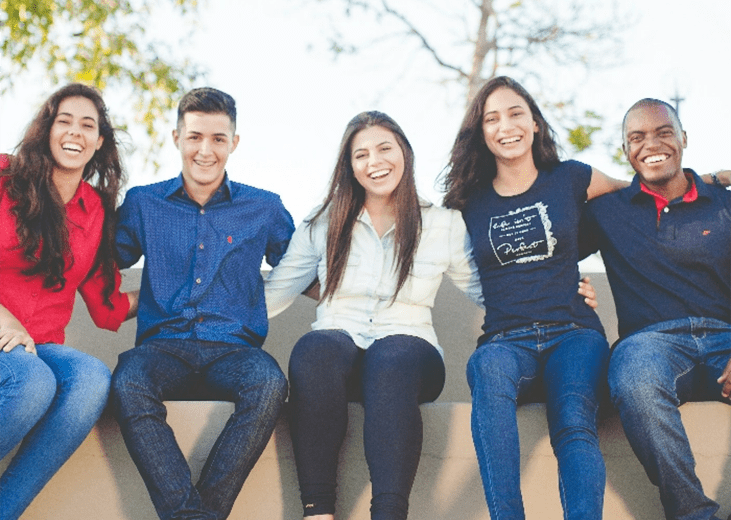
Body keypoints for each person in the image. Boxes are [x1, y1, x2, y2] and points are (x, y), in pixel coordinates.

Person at [264, 111, 484, 520]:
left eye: (384, 148)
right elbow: (276, 292)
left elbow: (485, 290)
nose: (374, 161)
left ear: (404, 152)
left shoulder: (443, 223)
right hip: (336, 353)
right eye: (360, 154)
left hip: (410, 355)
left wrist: (557, 292)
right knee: (314, 348)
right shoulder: (323, 221)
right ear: (349, 167)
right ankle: (318, 512)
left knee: (392, 356)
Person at [440, 76, 632, 520]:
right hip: (506, 340)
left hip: (574, 333)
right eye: (492, 118)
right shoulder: (467, 202)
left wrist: (714, 178)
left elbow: (641, 192)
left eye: (515, 113)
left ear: (535, 124)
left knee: (574, 423)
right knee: (486, 369)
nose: (505, 126)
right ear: (481, 133)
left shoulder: (571, 177)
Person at [110, 87, 294, 520]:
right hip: (162, 349)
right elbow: (99, 261)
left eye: (217, 138)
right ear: (176, 138)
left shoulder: (264, 207)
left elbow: (305, 271)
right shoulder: (143, 203)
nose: (205, 150)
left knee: (269, 385)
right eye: (194, 137)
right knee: (126, 383)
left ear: (234, 142)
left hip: (235, 351)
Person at [581, 99, 731, 520]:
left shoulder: (724, 203)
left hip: (725, 336)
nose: (652, 144)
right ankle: (692, 513)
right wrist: (575, 292)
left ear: (684, 138)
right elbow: (548, 247)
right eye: (637, 137)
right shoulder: (607, 211)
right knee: (634, 379)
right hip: (652, 343)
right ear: (626, 150)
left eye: (664, 132)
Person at [0, 83, 137, 520]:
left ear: (99, 142)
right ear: (46, 129)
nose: (75, 132)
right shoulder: (4, 176)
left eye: (88, 125)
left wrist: (178, 290)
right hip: (12, 346)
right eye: (65, 120)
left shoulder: (95, 209)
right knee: (33, 381)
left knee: (91, 379)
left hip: (38, 347)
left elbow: (108, 305)